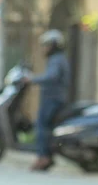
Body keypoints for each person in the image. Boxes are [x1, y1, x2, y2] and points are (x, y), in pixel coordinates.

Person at [26, 29, 71, 172]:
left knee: (41, 126)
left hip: (53, 99)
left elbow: (52, 76)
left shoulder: (56, 59)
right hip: (55, 98)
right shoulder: (59, 58)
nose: (44, 48)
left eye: (47, 45)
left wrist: (32, 79)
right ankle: (47, 156)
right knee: (46, 127)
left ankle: (43, 157)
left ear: (54, 45)